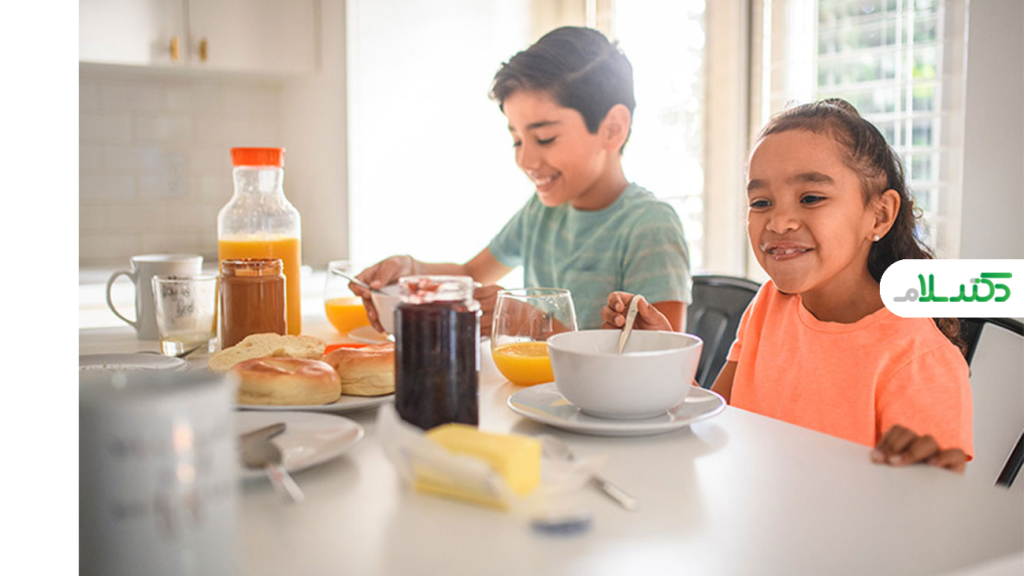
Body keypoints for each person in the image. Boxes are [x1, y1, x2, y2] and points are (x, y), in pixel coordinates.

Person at [601, 99, 973, 472]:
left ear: (879, 215)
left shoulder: (919, 360)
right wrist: (662, 354)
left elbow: (933, 496)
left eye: (810, 198)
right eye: (761, 202)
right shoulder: (769, 303)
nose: (779, 222)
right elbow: (716, 422)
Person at [352, 26, 692, 334]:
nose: (525, 161)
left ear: (613, 129)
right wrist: (411, 272)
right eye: (517, 140)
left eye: (545, 138)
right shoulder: (542, 211)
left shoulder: (650, 228)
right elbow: (471, 274)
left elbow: (664, 365)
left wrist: (536, 325)